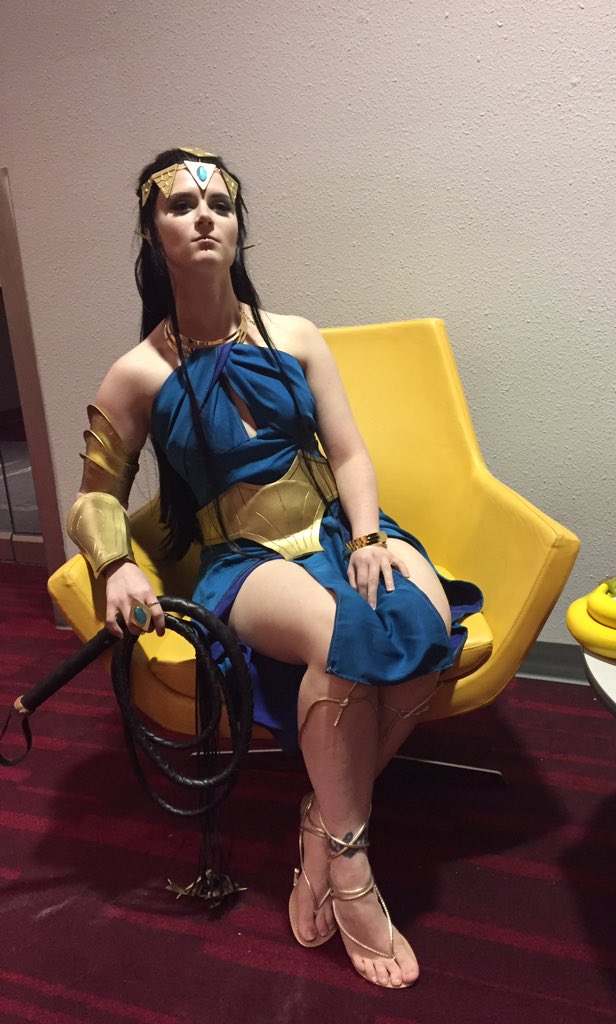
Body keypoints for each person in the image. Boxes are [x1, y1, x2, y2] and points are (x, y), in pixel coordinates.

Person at [66, 147, 482, 990]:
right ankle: (352, 868)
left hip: (336, 529)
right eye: (180, 205)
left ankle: (322, 815)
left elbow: (350, 454)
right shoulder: (137, 373)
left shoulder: (295, 335)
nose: (204, 215)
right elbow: (92, 500)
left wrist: (366, 539)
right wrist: (113, 566)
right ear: (152, 232)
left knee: (428, 618)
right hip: (243, 561)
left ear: (238, 227)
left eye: (219, 203)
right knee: (343, 632)